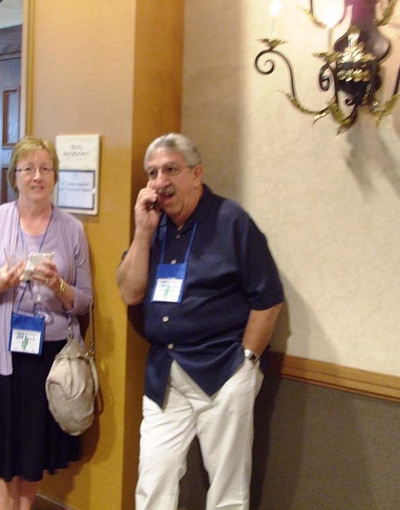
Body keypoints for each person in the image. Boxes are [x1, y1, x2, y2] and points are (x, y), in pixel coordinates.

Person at [116, 133, 284, 510]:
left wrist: (246, 364)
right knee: (153, 480)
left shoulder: (232, 220)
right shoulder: (153, 225)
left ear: (197, 174)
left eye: (171, 169)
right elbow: (129, 292)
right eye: (152, 173)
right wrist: (142, 232)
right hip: (165, 376)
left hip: (222, 370)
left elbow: (268, 299)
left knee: (227, 489)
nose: (160, 181)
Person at [0, 136, 93, 510]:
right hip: (3, 351)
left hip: (47, 355)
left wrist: (59, 285)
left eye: (45, 168)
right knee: (2, 448)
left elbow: (84, 300)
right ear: (14, 176)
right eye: (28, 169)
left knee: (33, 448)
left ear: (55, 176)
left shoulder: (71, 229)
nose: (37, 176)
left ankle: (25, 506)